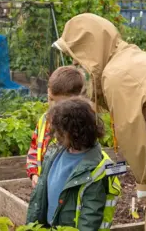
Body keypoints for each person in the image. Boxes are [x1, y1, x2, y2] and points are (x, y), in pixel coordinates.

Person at [53, 13, 146, 230]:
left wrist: (144, 183)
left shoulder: (116, 75)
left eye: (78, 56)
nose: (76, 63)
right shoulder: (129, 60)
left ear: (90, 47)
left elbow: (133, 137)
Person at [26, 97, 121, 231]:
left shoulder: (95, 169)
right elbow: (40, 195)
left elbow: (90, 216)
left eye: (60, 131)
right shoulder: (56, 153)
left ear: (74, 132)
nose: (56, 134)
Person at [26, 66, 85, 187]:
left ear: (75, 101)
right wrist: (34, 174)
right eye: (50, 99)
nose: (53, 105)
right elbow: (33, 150)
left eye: (59, 103)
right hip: (44, 185)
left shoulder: (79, 127)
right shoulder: (44, 120)